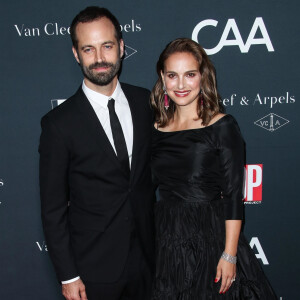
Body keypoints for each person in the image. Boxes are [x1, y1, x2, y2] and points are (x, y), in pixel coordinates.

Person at [39, 6, 155, 300]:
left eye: (107, 46)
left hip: (149, 263)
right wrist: (68, 275)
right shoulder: (59, 124)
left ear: (122, 47)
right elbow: (53, 210)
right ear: (77, 54)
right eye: (88, 49)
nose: (100, 58)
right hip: (92, 272)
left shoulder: (147, 103)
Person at [150, 38, 277, 299]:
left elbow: (233, 195)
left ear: (202, 76)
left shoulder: (222, 126)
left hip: (210, 237)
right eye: (173, 75)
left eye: (190, 74)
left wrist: (229, 254)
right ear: (163, 77)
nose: (181, 84)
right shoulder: (155, 129)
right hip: (167, 239)